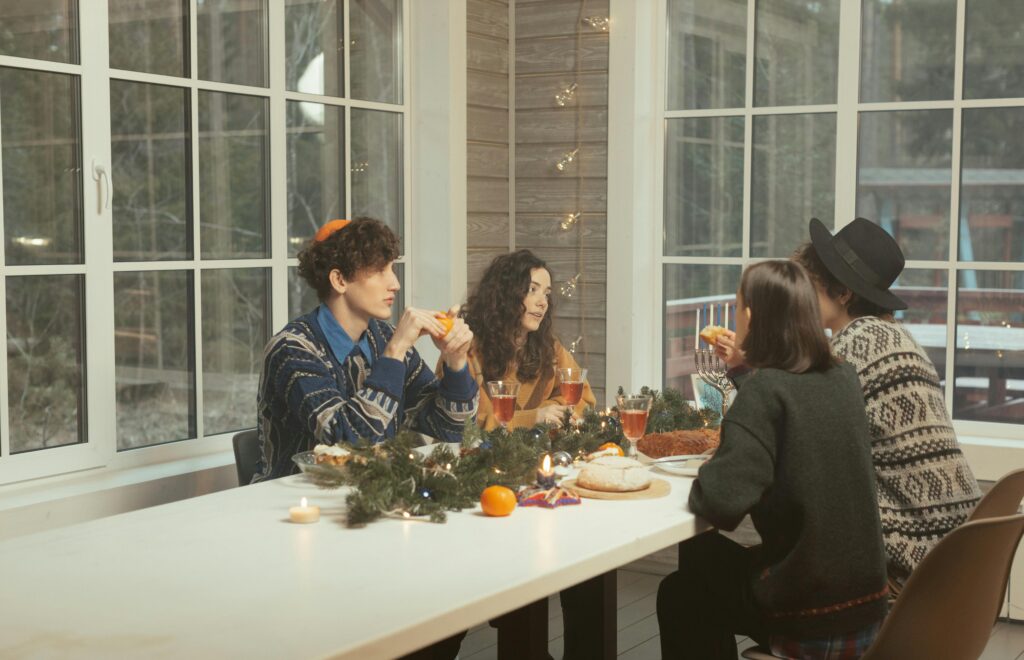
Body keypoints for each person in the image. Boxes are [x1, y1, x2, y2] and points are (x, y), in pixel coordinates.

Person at [658, 260, 888, 660]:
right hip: (867, 607)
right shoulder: (843, 377)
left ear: (748, 316)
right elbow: (790, 420)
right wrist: (744, 372)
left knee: (680, 592)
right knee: (701, 555)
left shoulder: (766, 391)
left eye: (737, 306)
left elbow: (718, 502)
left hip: (812, 616)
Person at [790, 217, 982, 594]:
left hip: (903, 574)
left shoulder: (855, 347)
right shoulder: (898, 338)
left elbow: (794, 436)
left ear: (843, 293)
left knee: (692, 587)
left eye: (809, 284)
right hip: (956, 564)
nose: (800, 297)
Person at [253, 218, 479, 483]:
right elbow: (347, 443)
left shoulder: (383, 337)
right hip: (290, 507)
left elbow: (452, 430)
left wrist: (456, 361)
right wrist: (395, 351)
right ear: (339, 280)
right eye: (379, 270)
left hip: (370, 500)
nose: (395, 283)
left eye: (392, 269)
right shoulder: (292, 349)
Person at [460, 249, 596, 430]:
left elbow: (584, 401)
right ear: (505, 294)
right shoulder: (466, 351)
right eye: (532, 290)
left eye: (546, 293)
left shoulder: (550, 349)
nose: (543, 302)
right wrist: (532, 418)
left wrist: (547, 410)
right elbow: (463, 425)